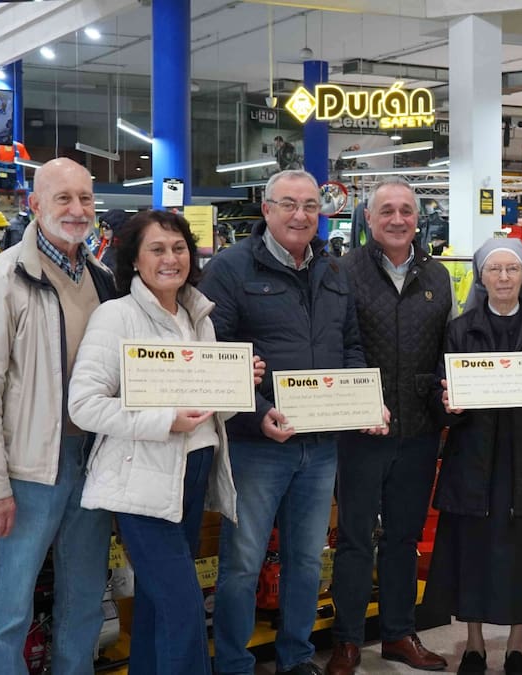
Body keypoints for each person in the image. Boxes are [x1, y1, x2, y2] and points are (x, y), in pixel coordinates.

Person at [199, 169, 381, 675]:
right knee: (243, 562)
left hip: (320, 445)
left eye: (310, 206)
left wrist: (361, 402)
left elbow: (349, 345)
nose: (300, 215)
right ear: (266, 209)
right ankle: (233, 663)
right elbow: (216, 354)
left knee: (306, 560)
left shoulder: (333, 269)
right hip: (257, 445)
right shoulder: (231, 268)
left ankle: (296, 657)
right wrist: (259, 415)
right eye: (288, 204)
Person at [67, 211, 261, 674]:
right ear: (135, 259)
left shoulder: (198, 316)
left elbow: (209, 409)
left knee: (158, 604)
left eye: (179, 248)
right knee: (183, 608)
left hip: (192, 474)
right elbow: (84, 406)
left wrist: (237, 385)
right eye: (157, 249)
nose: (170, 258)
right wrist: (164, 421)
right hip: (141, 482)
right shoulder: (116, 316)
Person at [0, 157, 116, 673]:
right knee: (10, 604)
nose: (77, 209)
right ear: (35, 204)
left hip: (94, 461)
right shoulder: (2, 279)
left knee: (85, 597)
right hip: (28, 470)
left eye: (85, 198)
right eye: (63, 198)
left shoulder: (103, 279)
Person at [425, 238, 522, 675]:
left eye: (513, 269)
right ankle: (473, 645)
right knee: (471, 551)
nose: (504, 277)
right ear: (481, 277)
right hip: (473, 457)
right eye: (495, 269)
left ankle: (516, 646)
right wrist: (446, 404)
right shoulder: (459, 329)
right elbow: (439, 393)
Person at [327, 178, 453, 675]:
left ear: (417, 218)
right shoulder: (342, 271)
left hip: (419, 429)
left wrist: (447, 392)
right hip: (360, 431)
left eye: (406, 211)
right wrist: (361, 404)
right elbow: (337, 344)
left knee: (404, 538)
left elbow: (446, 347)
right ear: (368, 218)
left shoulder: (438, 275)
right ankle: (347, 641)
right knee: (355, 539)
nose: (397, 219)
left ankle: (400, 633)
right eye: (387, 211)